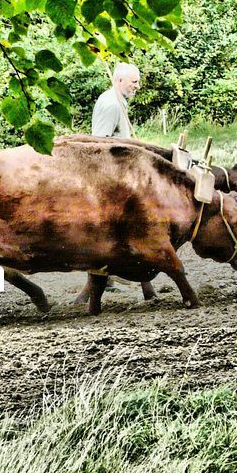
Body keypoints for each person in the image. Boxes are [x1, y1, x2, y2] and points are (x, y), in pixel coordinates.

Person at [76, 62, 158, 305]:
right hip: (110, 181)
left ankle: (113, 284)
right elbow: (98, 145)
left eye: (138, 81)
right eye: (134, 82)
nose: (138, 86)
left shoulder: (118, 101)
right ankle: (143, 286)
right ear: (119, 80)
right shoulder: (111, 104)